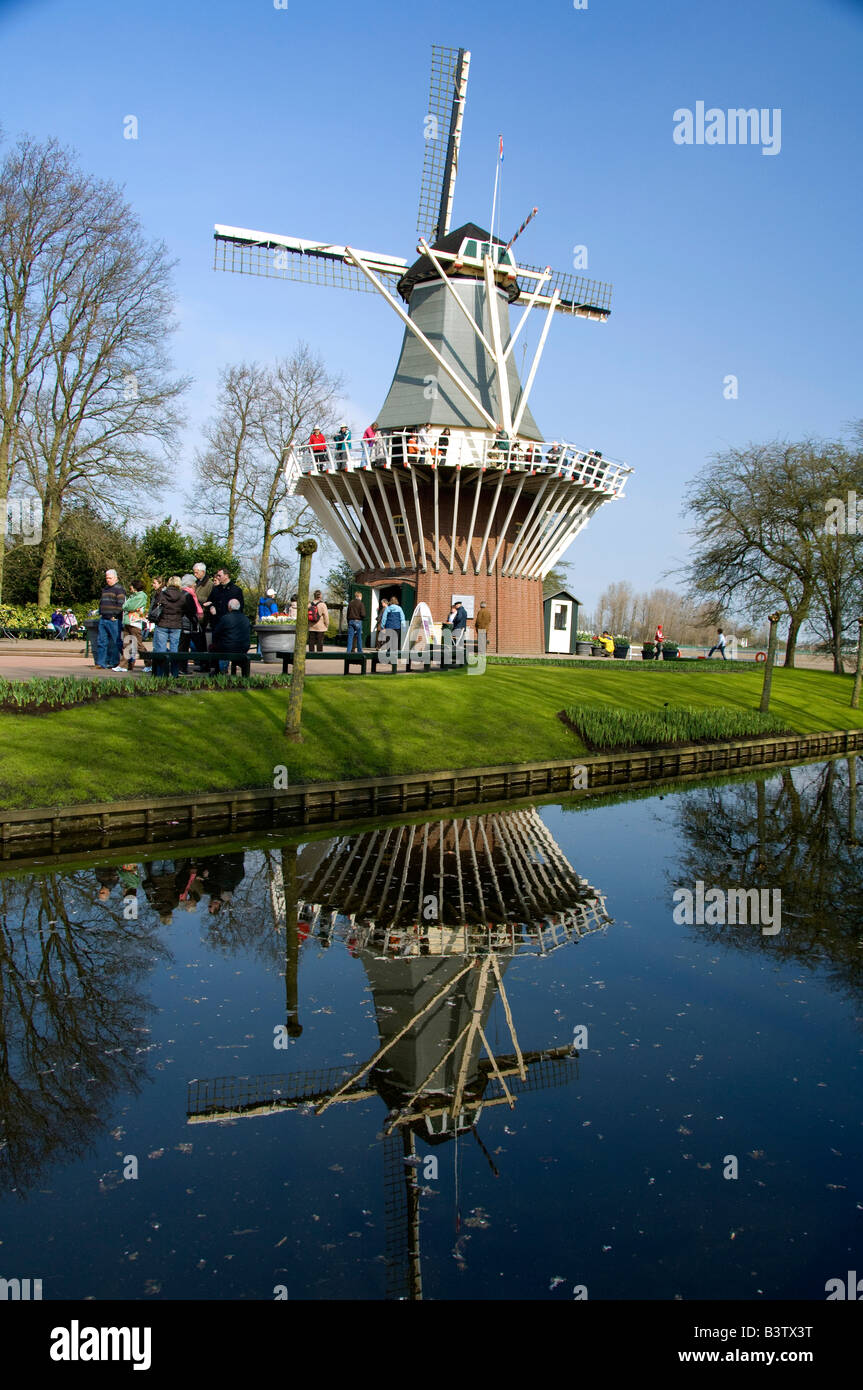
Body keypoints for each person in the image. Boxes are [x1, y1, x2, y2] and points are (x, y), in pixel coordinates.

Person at [152, 576, 194, 677]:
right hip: (176, 625)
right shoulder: (183, 596)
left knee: (161, 650)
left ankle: (160, 674)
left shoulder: (162, 594)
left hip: (162, 624)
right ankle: (175, 673)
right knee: (174, 650)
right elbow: (188, 610)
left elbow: (155, 608)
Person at [114, 579, 148, 672]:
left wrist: (126, 606)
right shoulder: (132, 596)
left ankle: (149, 663)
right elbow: (126, 605)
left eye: (132, 586)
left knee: (138, 644)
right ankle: (123, 665)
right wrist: (126, 606)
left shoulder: (141, 596)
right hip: (128, 622)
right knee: (126, 645)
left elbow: (128, 606)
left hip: (135, 622)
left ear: (135, 587)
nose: (130, 588)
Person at [95, 568, 126, 668]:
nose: (108, 580)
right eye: (107, 578)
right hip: (103, 618)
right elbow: (101, 602)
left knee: (116, 642)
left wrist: (115, 615)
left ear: (116, 578)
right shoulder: (105, 589)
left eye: (110, 578)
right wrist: (100, 612)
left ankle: (115, 662)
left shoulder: (119, 589)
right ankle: (101, 663)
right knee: (101, 642)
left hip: (113, 620)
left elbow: (121, 604)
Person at [212, 598, 252, 673]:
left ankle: (220, 670)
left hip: (228, 647)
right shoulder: (246, 619)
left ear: (229, 607)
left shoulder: (225, 618)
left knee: (215, 647)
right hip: (243, 647)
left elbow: (216, 633)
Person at [178, 573, 205, 672]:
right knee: (184, 647)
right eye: (194, 583)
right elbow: (191, 611)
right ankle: (182, 668)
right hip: (187, 625)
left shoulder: (183, 594)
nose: (195, 585)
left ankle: (181, 667)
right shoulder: (188, 595)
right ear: (189, 584)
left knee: (183, 647)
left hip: (184, 624)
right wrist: (195, 621)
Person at [382, 594, 405, 658]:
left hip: (389, 627)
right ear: (396, 601)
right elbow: (402, 618)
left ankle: (388, 655)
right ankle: (393, 657)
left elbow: (384, 618)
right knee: (395, 642)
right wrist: (404, 627)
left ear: (390, 602)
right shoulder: (399, 608)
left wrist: (382, 626)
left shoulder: (387, 608)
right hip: (397, 627)